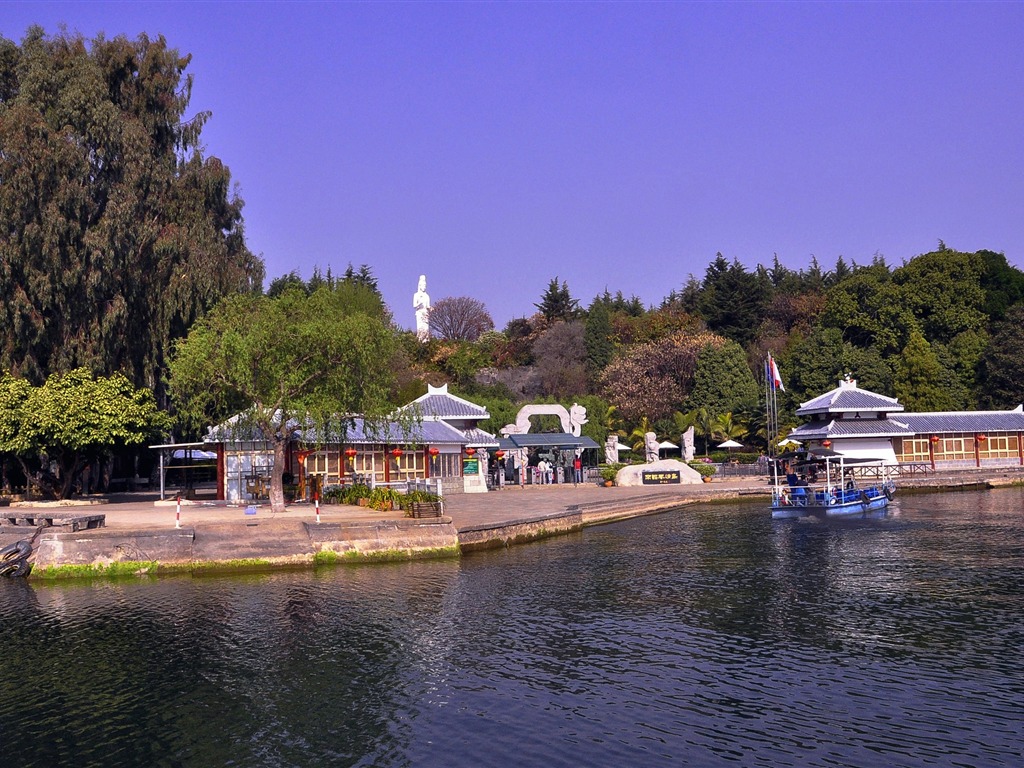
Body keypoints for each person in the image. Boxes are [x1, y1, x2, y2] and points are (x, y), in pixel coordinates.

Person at [413, 275, 430, 342]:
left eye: (425, 286)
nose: (424, 287)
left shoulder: (427, 296)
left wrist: (431, 308)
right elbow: (414, 305)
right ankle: (420, 340)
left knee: (426, 328)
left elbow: (428, 306)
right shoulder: (416, 295)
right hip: (419, 312)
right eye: (423, 285)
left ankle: (426, 341)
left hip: (425, 313)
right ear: (420, 286)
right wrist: (419, 303)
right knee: (420, 327)